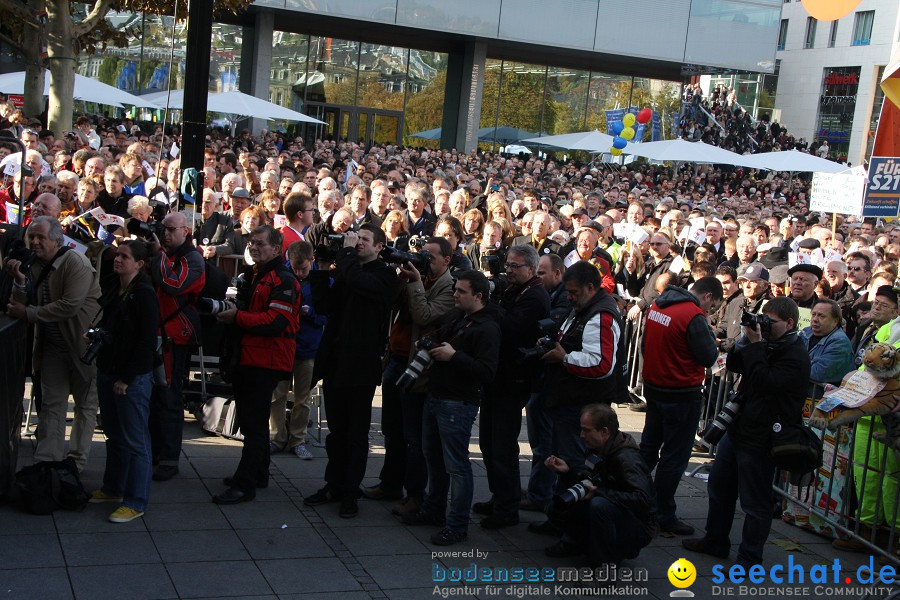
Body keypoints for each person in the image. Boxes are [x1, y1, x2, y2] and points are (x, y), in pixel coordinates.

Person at [683, 297, 810, 566]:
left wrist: (757, 345)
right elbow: (739, 365)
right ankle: (715, 540)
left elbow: (766, 381)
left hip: (764, 434)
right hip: (742, 426)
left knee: (755, 501)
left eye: (770, 322)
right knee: (719, 486)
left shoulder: (795, 353)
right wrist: (745, 339)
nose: (764, 325)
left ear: (789, 323)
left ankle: (750, 558)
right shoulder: (767, 343)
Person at [304, 224, 400, 518]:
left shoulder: (384, 274)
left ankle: (350, 491)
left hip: (360, 364)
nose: (358, 243)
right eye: (356, 238)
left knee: (356, 433)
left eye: (364, 239)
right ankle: (333, 484)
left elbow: (361, 283)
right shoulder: (348, 270)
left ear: (380, 246)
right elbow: (324, 305)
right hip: (335, 361)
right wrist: (321, 268)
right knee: (337, 431)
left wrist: (345, 254)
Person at [402, 270, 501, 545]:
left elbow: (487, 371)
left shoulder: (488, 328)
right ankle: (433, 510)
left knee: (456, 465)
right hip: (436, 395)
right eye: (455, 289)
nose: (455, 294)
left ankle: (457, 524)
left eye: (461, 292)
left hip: (458, 402)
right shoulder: (460, 317)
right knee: (433, 458)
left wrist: (454, 356)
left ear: (478, 296)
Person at [363, 237, 456, 516]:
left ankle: (416, 495)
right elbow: (390, 303)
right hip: (397, 359)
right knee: (391, 430)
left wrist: (415, 282)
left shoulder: (450, 288)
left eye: (431, 257)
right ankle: (391, 483)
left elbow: (424, 316)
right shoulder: (416, 277)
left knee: (415, 437)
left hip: (419, 368)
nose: (425, 261)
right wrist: (401, 277)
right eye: (422, 255)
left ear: (446, 261)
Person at [211, 225, 301, 504]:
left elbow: (275, 322)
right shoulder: (256, 274)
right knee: (254, 422)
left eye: (260, 243)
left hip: (266, 359)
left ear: (277, 248)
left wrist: (236, 316)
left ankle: (245, 483)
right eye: (251, 243)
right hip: (250, 355)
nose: (254, 247)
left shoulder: (283, 278)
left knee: (253, 423)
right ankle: (258, 473)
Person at [5, 216, 102, 471]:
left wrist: (29, 313)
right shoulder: (32, 264)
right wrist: (19, 280)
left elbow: (69, 306)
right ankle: (47, 464)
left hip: (83, 347)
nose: (34, 242)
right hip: (52, 347)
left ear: (57, 240)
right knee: (51, 405)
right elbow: (18, 304)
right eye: (32, 237)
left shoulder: (75, 262)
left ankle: (76, 464)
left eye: (41, 238)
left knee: (85, 406)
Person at [475, 244, 550, 529]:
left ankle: (507, 507)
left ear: (531, 269)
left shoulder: (535, 296)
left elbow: (509, 327)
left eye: (514, 266)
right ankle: (499, 497)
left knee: (503, 444)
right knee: (488, 441)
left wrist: (490, 302)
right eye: (508, 264)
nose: (508, 269)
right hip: (498, 375)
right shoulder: (513, 289)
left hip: (514, 377)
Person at [640, 276, 722, 535]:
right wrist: (707, 331)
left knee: (649, 449)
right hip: (681, 393)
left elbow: (644, 344)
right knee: (674, 458)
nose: (710, 311)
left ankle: (636, 497)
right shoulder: (692, 315)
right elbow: (708, 356)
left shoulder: (658, 306)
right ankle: (663, 512)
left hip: (655, 387)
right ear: (708, 296)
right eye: (713, 306)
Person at [89, 240, 160, 523]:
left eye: (124, 257)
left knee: (135, 439)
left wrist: (127, 378)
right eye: (117, 255)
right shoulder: (114, 285)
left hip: (131, 377)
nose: (118, 260)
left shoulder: (144, 294)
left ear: (140, 264)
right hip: (108, 368)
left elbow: (145, 342)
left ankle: (136, 500)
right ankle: (114, 487)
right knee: (114, 435)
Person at [544, 403, 657, 565]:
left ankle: (604, 568)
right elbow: (588, 479)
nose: (582, 435)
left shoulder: (627, 459)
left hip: (638, 525)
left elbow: (642, 500)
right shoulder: (596, 447)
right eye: (581, 429)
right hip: (616, 508)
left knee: (599, 505)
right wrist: (567, 472)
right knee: (559, 507)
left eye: (587, 430)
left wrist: (599, 492)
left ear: (605, 431)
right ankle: (581, 545)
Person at [149, 211, 206, 481]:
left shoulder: (192, 259)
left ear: (186, 231)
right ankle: (153, 452)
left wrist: (157, 254)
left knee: (170, 398)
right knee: (151, 398)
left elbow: (173, 284)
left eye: (172, 230)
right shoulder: (166, 253)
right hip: (155, 333)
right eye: (163, 229)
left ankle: (169, 459)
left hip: (175, 336)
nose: (166, 234)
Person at [269, 241, 325, 459]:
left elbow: (327, 315)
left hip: (308, 346)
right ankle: (277, 437)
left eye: (303, 268)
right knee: (277, 395)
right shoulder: (282, 276)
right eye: (295, 267)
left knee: (303, 398)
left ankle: (298, 439)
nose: (299, 272)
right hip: (284, 343)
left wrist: (310, 313)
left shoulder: (321, 281)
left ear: (312, 261)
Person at [799, 298, 856, 394]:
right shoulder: (806, 331)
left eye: (821, 316)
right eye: (814, 314)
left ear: (835, 321)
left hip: (822, 399)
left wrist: (792, 365)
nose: (815, 319)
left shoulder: (840, 343)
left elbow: (818, 373)